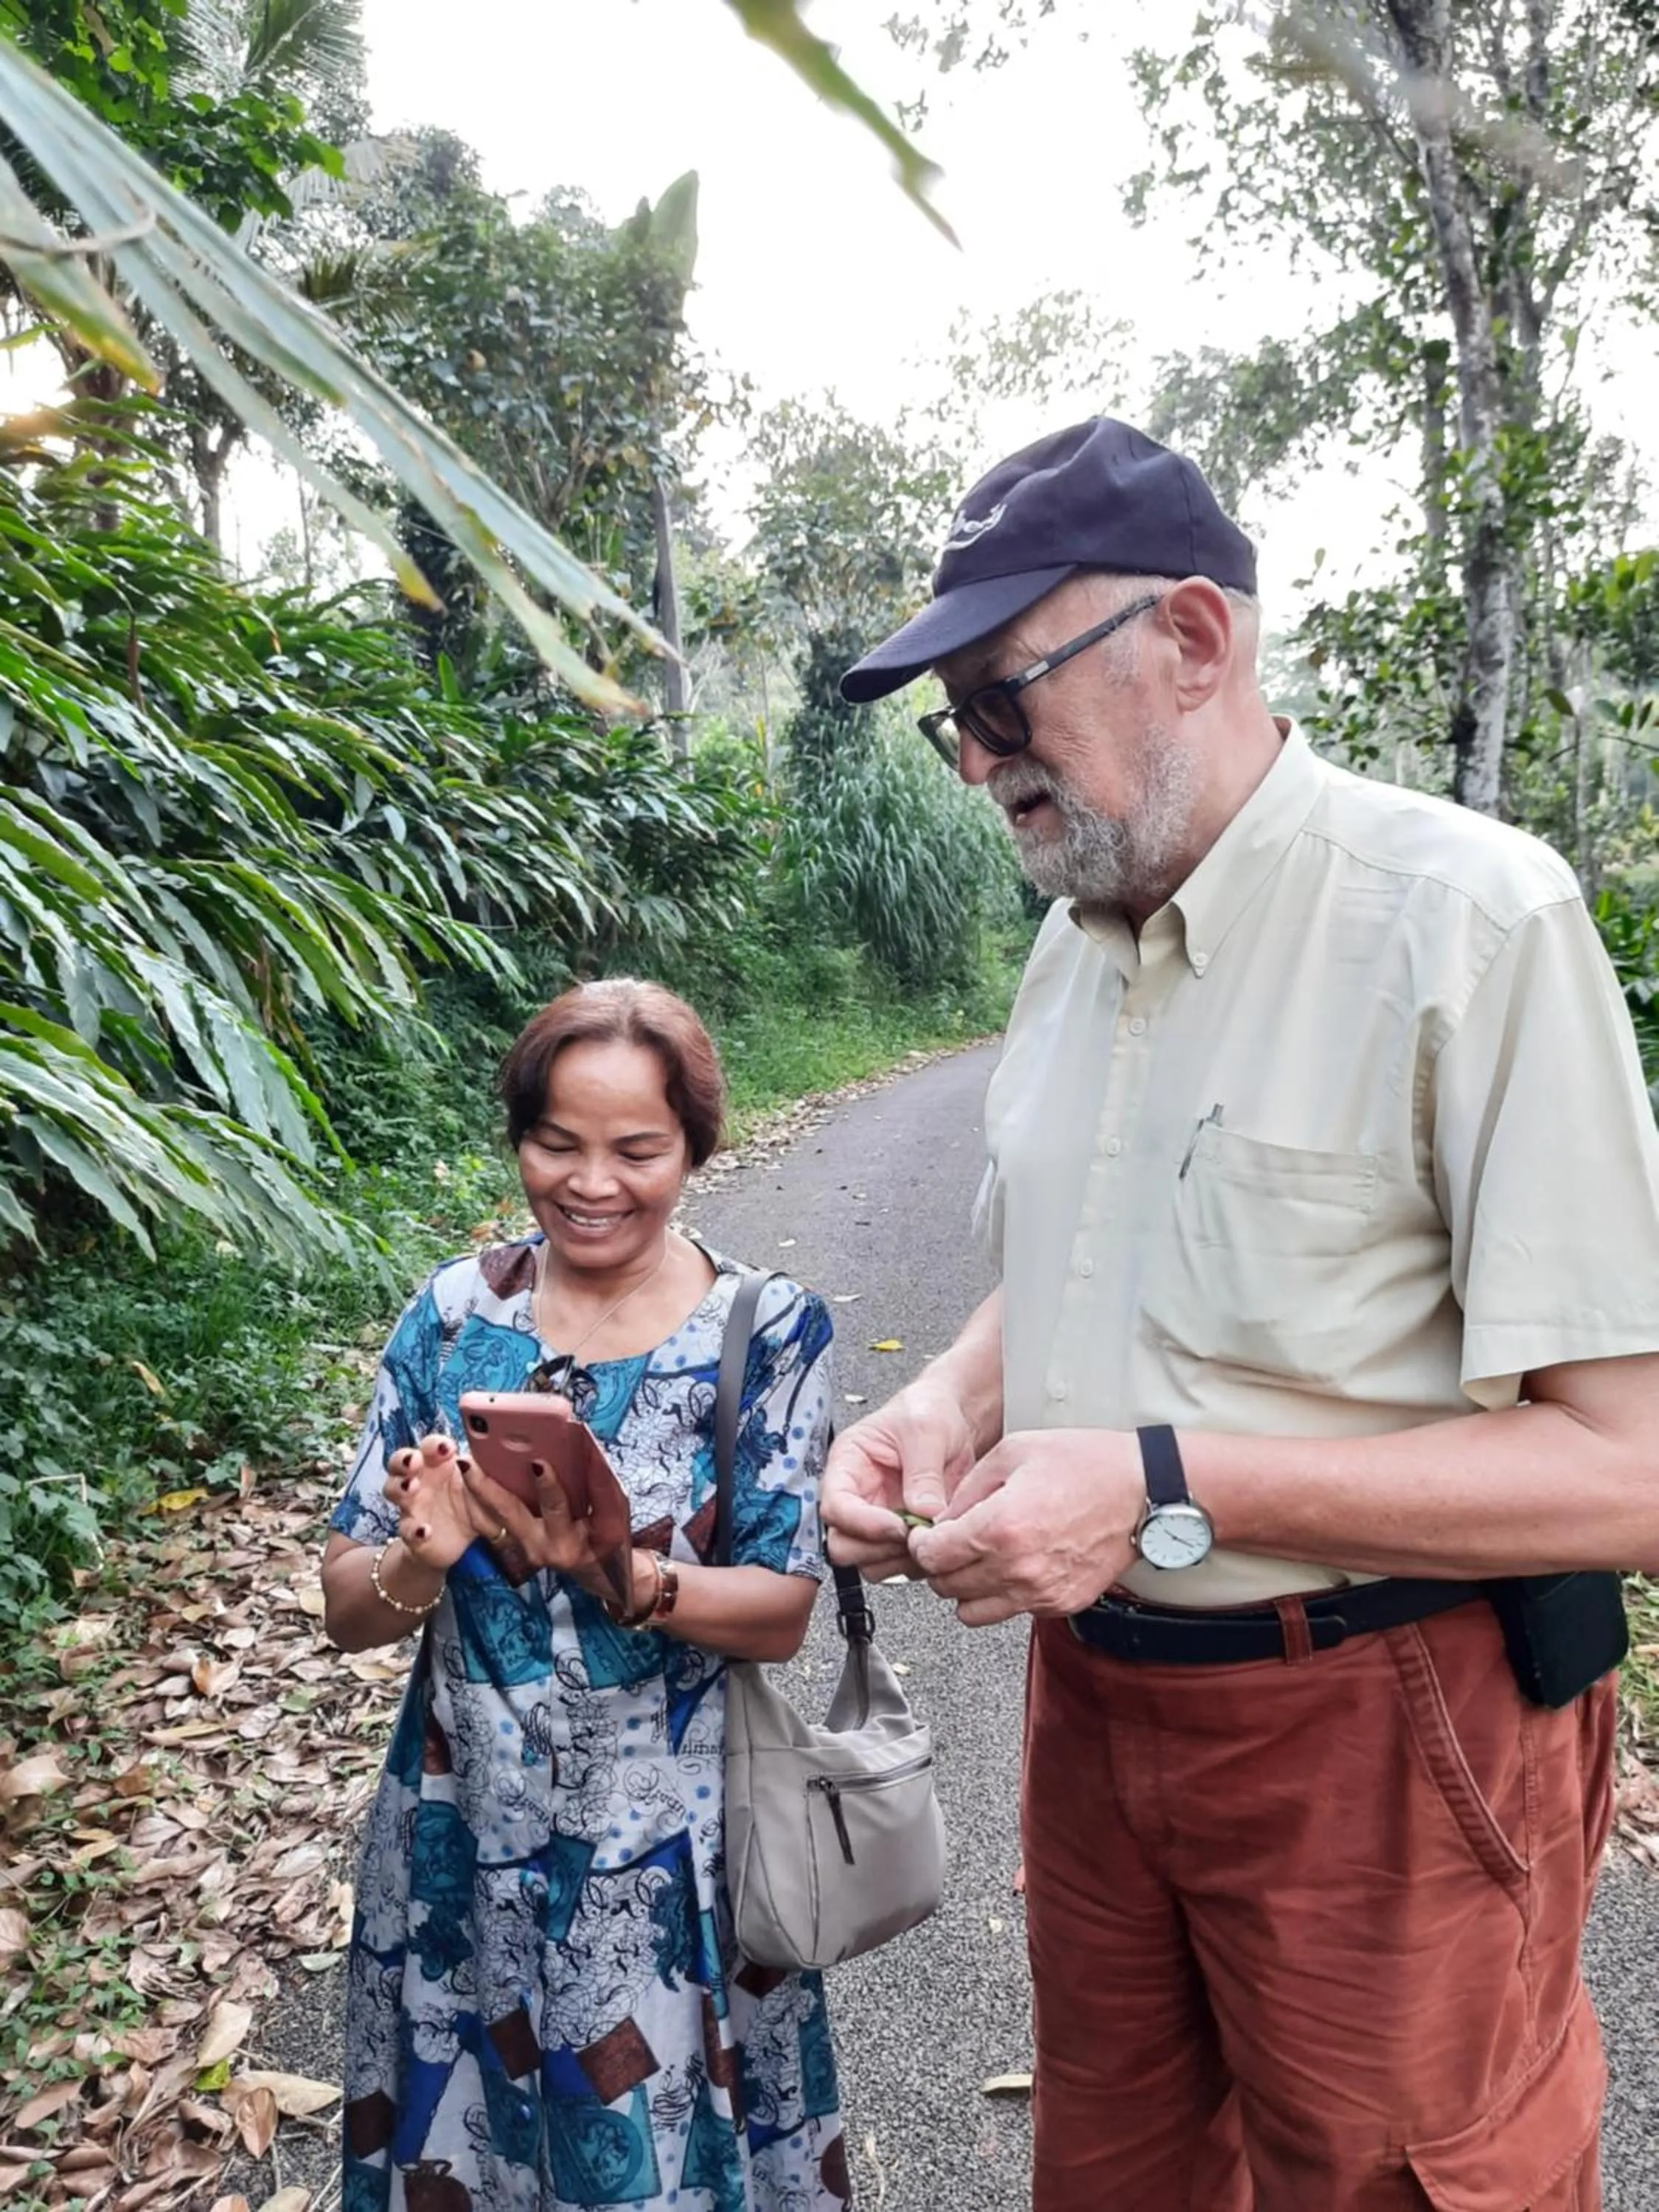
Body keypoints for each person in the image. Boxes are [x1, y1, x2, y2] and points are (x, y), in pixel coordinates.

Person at [824, 416, 1659, 2211]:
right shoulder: (1074, 943)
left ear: (1193, 642)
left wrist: (1160, 1474)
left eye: (1002, 700)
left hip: (1382, 1727)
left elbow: (1628, 1474)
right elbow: (1079, 1258)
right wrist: (952, 1407)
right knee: (1119, 2172)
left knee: (1409, 2181)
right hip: (1100, 1714)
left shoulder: (1470, 924)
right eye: (950, 720)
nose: (977, 763)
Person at [321, 978, 849, 2212]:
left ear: (694, 1149)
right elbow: (347, 1605)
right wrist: (422, 1552)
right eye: (556, 1143)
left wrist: (621, 1574)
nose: (591, 1183)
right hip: (457, 1824)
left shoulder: (764, 1332)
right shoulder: (452, 1318)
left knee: (654, 2166)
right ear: (517, 1138)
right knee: (471, 2155)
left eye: (636, 1150)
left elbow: (779, 1608)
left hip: (669, 1853)